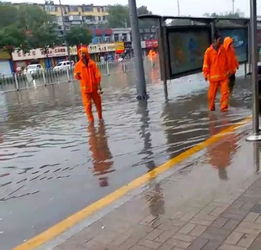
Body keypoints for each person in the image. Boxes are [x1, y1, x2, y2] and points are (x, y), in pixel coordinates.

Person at [74, 47, 103, 123]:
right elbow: (77, 77)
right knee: (87, 106)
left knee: (98, 104)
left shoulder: (92, 64)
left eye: (83, 53)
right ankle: (91, 122)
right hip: (85, 90)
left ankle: (100, 118)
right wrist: (77, 75)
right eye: (80, 53)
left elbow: (97, 75)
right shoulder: (78, 65)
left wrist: (99, 86)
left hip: (94, 88)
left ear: (86, 54)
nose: (82, 55)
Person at [203, 33, 230, 112]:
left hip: (223, 76)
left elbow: (226, 61)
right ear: (214, 40)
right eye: (219, 40)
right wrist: (206, 74)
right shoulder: (208, 51)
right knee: (211, 96)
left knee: (225, 93)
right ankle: (212, 108)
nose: (221, 42)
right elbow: (205, 64)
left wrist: (228, 70)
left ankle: (224, 109)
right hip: (213, 77)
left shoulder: (223, 49)